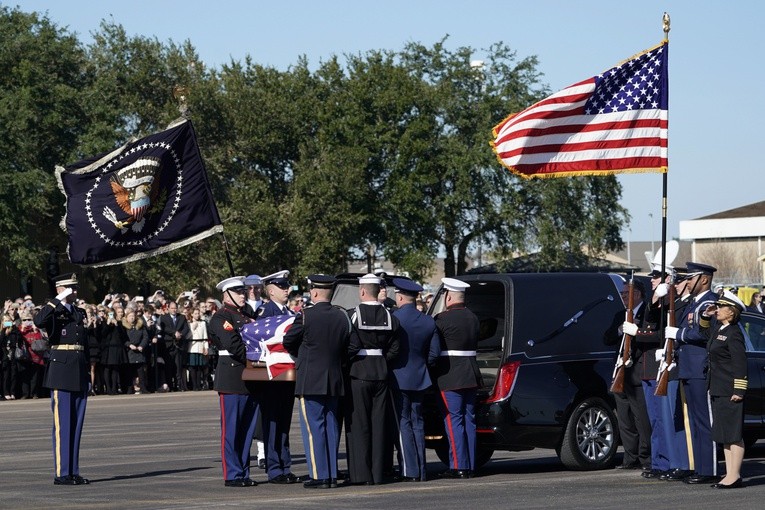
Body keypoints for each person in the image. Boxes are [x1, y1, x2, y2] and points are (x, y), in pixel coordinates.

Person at [283, 274, 351, 489]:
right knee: (331, 428)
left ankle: (319, 475)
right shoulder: (342, 317)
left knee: (314, 429)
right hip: (334, 379)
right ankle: (331, 474)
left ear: (313, 292)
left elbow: (288, 341)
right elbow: (348, 346)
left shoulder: (305, 316)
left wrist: (302, 355)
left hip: (311, 378)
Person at [664, 262, 719, 485]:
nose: (688, 281)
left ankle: (711, 469)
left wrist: (679, 334)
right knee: (694, 421)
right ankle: (700, 466)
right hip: (688, 366)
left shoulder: (710, 302)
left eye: (692, 277)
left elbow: (703, 333)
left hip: (700, 367)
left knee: (704, 421)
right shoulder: (693, 303)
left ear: (704, 279)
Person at [33, 273, 90, 485]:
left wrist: (88, 373)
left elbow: (85, 344)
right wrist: (57, 300)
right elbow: (39, 321)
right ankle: (62, 473)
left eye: (75, 288)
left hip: (78, 369)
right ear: (60, 289)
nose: (74, 292)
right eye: (70, 288)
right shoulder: (54, 311)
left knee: (76, 424)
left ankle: (73, 471)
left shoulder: (79, 312)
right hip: (60, 371)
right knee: (62, 425)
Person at [345, 273, 400, 485]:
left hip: (359, 373)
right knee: (379, 425)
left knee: (360, 425)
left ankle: (361, 474)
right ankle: (378, 474)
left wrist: (350, 362)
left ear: (361, 291)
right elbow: (396, 346)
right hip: (381, 373)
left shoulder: (352, 315)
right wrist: (383, 360)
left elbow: (348, 345)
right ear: (378, 292)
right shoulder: (390, 317)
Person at [208, 276, 259, 487]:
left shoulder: (247, 315)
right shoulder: (220, 318)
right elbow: (234, 346)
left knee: (247, 429)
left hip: (251, 378)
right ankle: (232, 474)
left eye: (243, 292)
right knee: (231, 429)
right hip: (231, 378)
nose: (242, 295)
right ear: (226, 295)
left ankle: (243, 472)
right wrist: (257, 358)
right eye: (238, 292)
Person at [389, 278, 440, 482]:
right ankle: (421, 469)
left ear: (400, 297)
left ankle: (409, 470)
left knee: (403, 424)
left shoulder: (394, 318)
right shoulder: (428, 321)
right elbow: (434, 354)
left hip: (398, 376)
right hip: (420, 377)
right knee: (418, 423)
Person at [604, 277, 654, 474]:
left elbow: (650, 338)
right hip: (621, 372)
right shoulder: (620, 315)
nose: (623, 297)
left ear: (637, 294)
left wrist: (636, 331)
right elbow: (606, 338)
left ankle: (645, 457)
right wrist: (619, 329)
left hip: (638, 372)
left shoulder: (647, 312)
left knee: (641, 418)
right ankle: (630, 457)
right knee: (624, 418)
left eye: (626, 294)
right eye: (622, 294)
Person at [433, 277, 481, 479]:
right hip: (471, 374)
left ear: (448, 296)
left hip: (450, 376)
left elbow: (435, 351)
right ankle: (469, 464)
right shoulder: (473, 318)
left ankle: (458, 465)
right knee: (469, 421)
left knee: (454, 422)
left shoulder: (442, 319)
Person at [256, 270, 301, 484]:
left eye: (288, 286)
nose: (288, 290)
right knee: (273, 422)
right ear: (271, 290)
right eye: (283, 287)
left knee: (283, 423)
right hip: (272, 377)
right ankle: (275, 468)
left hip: (287, 376)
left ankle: (285, 465)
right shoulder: (266, 312)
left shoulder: (290, 313)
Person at [703, 291, 747, 489]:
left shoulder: (734, 333)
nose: (718, 309)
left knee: (733, 433)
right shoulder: (721, 328)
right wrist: (706, 315)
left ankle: (735, 475)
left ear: (732, 312)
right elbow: (704, 333)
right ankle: (729, 474)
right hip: (717, 387)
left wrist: (739, 389)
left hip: (730, 389)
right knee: (724, 434)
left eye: (721, 307)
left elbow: (740, 363)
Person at [156, 301, 191, 391]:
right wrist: (174, 333)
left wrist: (180, 335)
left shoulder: (182, 317)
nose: (174, 310)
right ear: (168, 308)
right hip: (168, 345)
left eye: (175, 308)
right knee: (168, 366)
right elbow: (164, 328)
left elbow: (186, 328)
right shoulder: (163, 317)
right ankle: (170, 385)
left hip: (178, 345)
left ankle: (179, 385)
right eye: (172, 308)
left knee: (178, 367)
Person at [100, 306, 127, 395]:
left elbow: (123, 336)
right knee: (107, 368)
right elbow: (102, 334)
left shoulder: (118, 323)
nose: (111, 316)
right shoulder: (104, 323)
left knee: (115, 369)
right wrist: (108, 324)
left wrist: (116, 324)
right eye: (109, 314)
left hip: (116, 348)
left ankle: (114, 388)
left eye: (112, 314)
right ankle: (108, 388)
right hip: (107, 348)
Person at [123, 309, 149, 394]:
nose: (132, 318)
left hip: (139, 350)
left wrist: (142, 345)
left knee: (141, 371)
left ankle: (143, 387)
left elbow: (145, 337)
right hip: (130, 351)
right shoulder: (124, 327)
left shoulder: (140, 326)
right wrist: (129, 345)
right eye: (130, 316)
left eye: (133, 316)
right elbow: (122, 338)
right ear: (126, 318)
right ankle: (130, 388)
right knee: (130, 372)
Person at [187, 308, 208, 391]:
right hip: (192, 347)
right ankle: (194, 385)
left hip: (200, 347)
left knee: (199, 367)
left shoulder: (203, 323)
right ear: (192, 314)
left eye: (198, 313)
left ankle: (199, 385)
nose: (197, 315)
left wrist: (206, 347)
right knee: (193, 367)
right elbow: (187, 336)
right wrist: (192, 328)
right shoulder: (189, 323)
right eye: (195, 313)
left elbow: (205, 336)